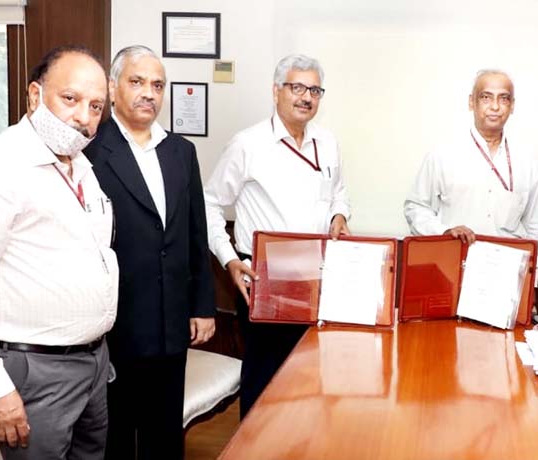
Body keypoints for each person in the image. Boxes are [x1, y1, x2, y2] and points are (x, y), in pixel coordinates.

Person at [0, 45, 117, 459]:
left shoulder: (82, 166)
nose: (83, 117)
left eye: (96, 106)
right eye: (70, 99)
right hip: (34, 372)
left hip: (92, 364)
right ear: (34, 95)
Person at [84, 45, 215, 460]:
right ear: (112, 86)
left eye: (157, 85)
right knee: (116, 439)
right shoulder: (88, 153)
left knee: (164, 437)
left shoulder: (181, 151)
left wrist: (203, 306)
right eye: (137, 82)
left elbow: (197, 233)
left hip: (172, 325)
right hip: (115, 328)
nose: (149, 93)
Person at [205, 54, 350, 418]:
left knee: (310, 372)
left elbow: (339, 191)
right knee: (265, 377)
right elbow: (208, 205)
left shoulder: (327, 141)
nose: (306, 97)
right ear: (276, 91)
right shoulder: (248, 144)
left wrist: (339, 213)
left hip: (317, 277)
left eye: (314, 90)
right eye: (297, 87)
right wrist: (230, 260)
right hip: (264, 278)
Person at [404, 69, 538, 278]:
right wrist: (444, 231)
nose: (495, 107)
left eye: (504, 99)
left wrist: (531, 283)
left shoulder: (527, 162)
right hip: (451, 271)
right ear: (472, 102)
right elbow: (416, 208)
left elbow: (537, 227)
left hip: (505, 276)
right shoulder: (444, 154)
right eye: (486, 97)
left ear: (512, 106)